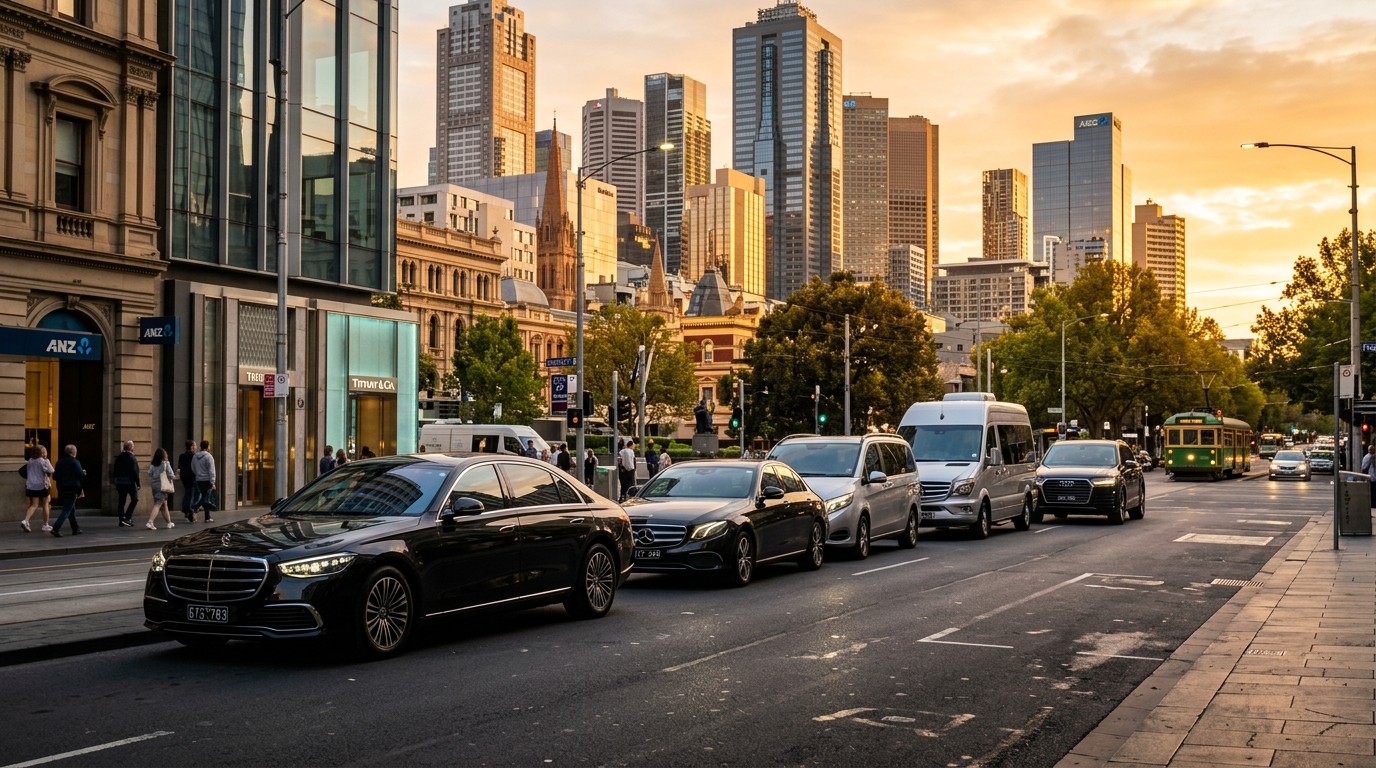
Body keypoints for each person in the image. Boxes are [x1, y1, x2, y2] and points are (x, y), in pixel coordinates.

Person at [50, 445, 85, 537]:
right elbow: (80, 475)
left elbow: (55, 476)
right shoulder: (75, 462)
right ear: (74, 453)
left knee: (71, 509)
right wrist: (83, 473)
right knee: (67, 509)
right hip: (72, 488)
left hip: (62, 488)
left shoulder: (59, 462)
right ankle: (56, 528)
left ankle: (75, 528)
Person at [20, 445, 54, 533]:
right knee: (45, 504)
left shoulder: (30, 461)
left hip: (31, 485)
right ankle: (45, 524)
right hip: (42, 485)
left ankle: (26, 520)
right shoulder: (44, 461)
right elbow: (51, 470)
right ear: (42, 453)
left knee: (34, 505)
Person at [145, 448, 177, 530]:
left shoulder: (153, 464)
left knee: (164, 504)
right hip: (163, 486)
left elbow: (150, 473)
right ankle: (150, 522)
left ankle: (169, 522)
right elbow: (171, 474)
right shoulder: (166, 463)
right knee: (158, 504)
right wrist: (176, 477)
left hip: (154, 485)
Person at [112, 440, 141, 528]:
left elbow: (115, 470)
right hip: (129, 482)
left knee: (121, 500)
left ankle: (121, 519)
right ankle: (128, 517)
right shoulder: (132, 458)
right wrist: (138, 483)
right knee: (135, 499)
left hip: (120, 482)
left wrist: (115, 480)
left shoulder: (119, 457)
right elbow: (135, 471)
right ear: (131, 447)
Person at [191, 440, 217, 523]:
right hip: (207, 480)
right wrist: (212, 481)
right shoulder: (209, 457)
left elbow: (193, 467)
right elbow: (212, 470)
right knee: (206, 498)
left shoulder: (195, 456)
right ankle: (200, 512)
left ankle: (202, 513)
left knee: (203, 497)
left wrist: (198, 474)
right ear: (207, 447)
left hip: (199, 479)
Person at [178, 440, 198, 522]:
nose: (196, 447)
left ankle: (185, 509)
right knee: (191, 494)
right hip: (192, 476)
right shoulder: (194, 456)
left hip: (184, 477)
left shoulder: (182, 456)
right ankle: (189, 509)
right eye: (195, 445)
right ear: (192, 446)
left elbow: (179, 466)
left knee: (187, 492)